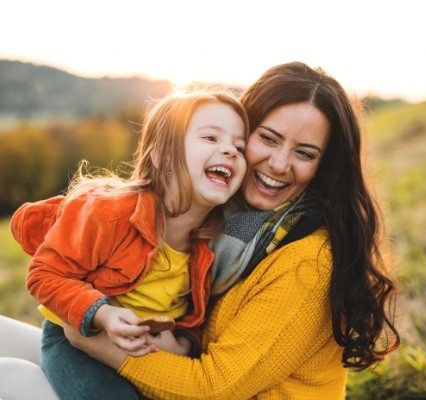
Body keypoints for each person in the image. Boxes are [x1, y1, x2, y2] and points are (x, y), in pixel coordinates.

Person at [0, 61, 400, 400]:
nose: (279, 164)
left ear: (324, 166)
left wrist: (92, 335)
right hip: (129, 347)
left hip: (188, 384)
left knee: (12, 377)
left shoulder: (305, 259)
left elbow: (215, 386)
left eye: (304, 153)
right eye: (267, 138)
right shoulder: (223, 223)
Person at [4, 89, 249, 400]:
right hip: (77, 340)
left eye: (239, 147)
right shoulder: (109, 212)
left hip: (142, 356)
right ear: (161, 155)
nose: (229, 150)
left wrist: (182, 343)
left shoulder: (211, 242)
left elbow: (193, 317)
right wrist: (103, 315)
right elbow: (44, 275)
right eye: (211, 138)